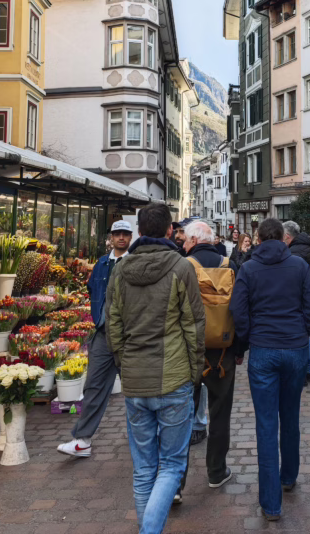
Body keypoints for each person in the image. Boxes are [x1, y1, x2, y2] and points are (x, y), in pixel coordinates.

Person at [105, 203, 205, 534]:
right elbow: (194, 326)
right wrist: (194, 372)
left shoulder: (121, 269)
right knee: (172, 465)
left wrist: (124, 364)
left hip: (136, 379)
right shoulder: (180, 266)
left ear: (138, 232)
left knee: (144, 468)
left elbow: (113, 325)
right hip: (173, 377)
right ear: (169, 231)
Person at [231, 218, 310, 522]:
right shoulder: (298, 266)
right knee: (290, 415)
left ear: (258, 239)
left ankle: (271, 504)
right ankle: (289, 476)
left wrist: (247, 339)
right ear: (283, 238)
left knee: (266, 424)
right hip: (294, 348)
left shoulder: (249, 268)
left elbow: (238, 310)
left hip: (264, 349)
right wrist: (303, 332)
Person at [58, 220, 133, 457]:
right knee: (94, 385)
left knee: (135, 388)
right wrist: (97, 317)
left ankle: (141, 436)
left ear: (131, 237)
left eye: (125, 234)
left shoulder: (133, 262)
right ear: (111, 237)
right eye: (117, 234)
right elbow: (93, 290)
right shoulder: (102, 263)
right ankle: (82, 440)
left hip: (127, 335)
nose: (121, 237)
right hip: (102, 332)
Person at [179, 220, 243, 491]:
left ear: (194, 241)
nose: (183, 244)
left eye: (185, 240)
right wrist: (239, 348)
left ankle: (177, 482)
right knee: (220, 413)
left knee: (181, 416)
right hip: (223, 352)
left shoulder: (183, 266)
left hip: (188, 351)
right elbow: (240, 308)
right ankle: (216, 471)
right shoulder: (230, 265)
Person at [283, 221, 310, 385]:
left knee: (302, 338)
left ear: (287, 236)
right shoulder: (307, 246)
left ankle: (305, 371)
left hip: (298, 297)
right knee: (306, 336)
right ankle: (309, 371)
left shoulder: (295, 252)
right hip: (306, 294)